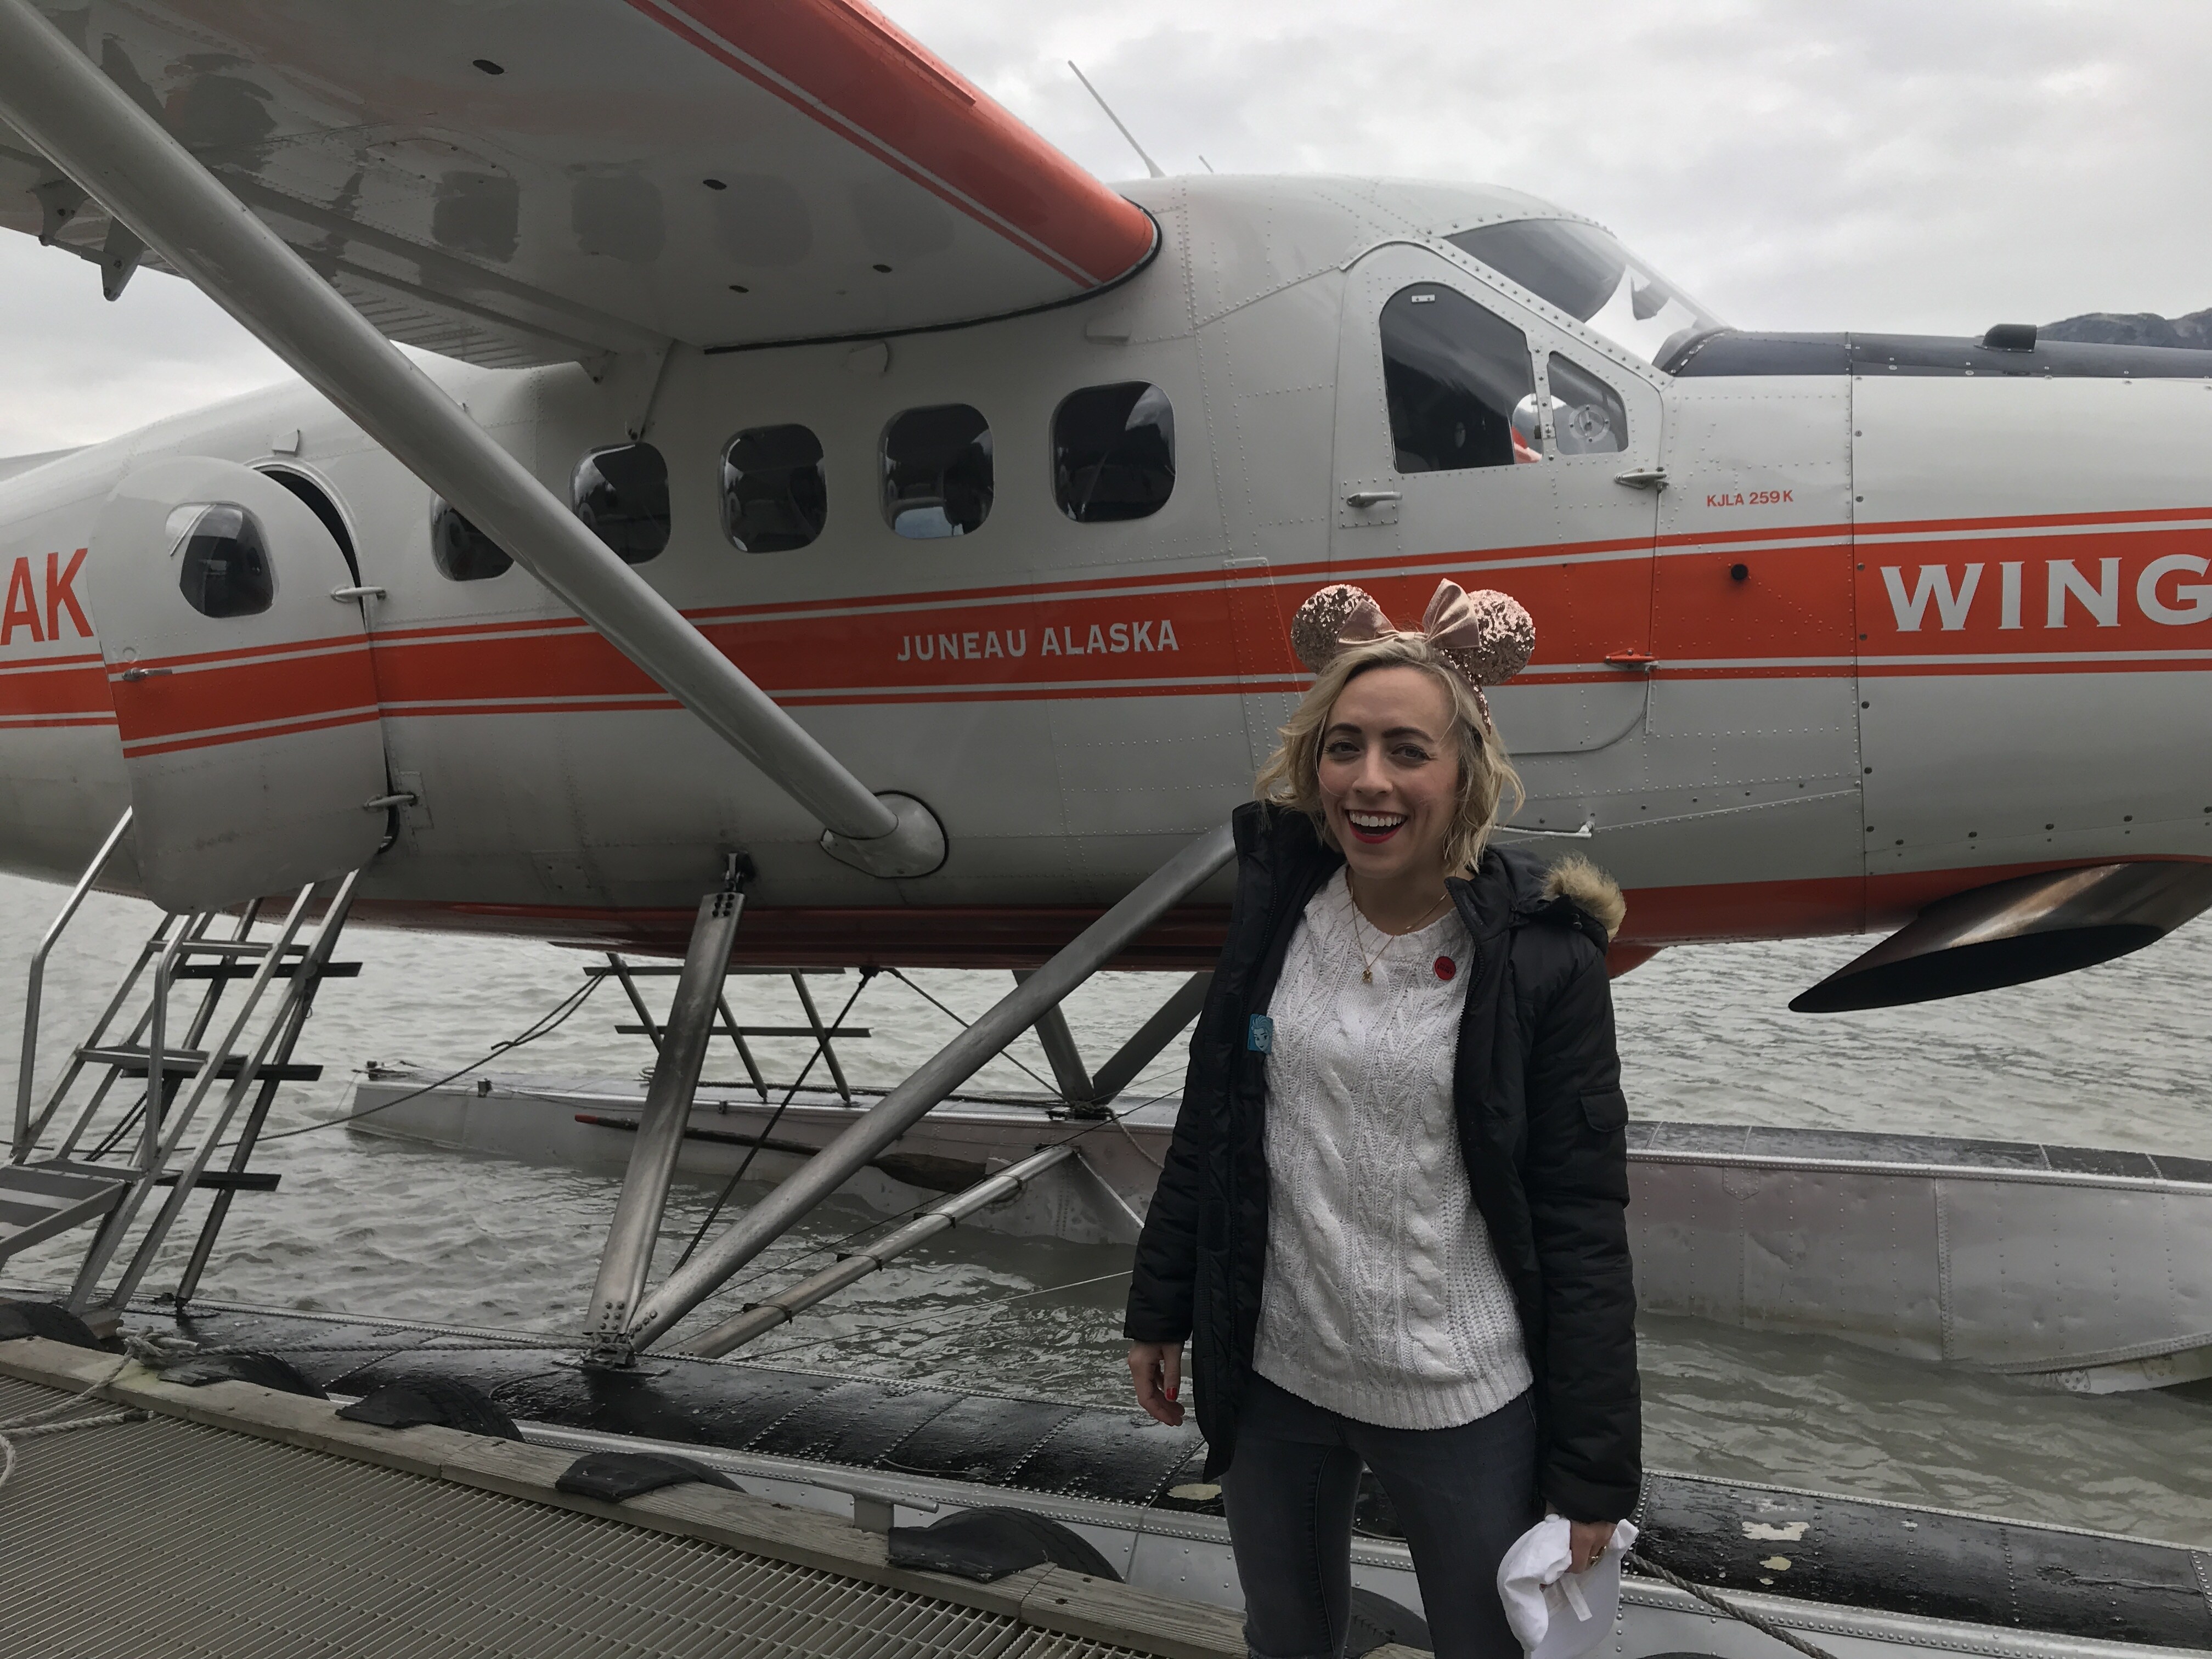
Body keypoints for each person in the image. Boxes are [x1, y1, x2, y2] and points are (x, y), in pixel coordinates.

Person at [1122, 578, 1640, 1659]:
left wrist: (1595, 1473)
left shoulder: (1543, 962)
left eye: (1408, 750)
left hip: (1457, 1395)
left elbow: (1583, 1220)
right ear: (1312, 765)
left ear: (1465, 775)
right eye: (1344, 746)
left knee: (1485, 1649)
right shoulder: (1277, 914)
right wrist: (1159, 1308)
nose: (1370, 780)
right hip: (1275, 1374)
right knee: (1286, 1639)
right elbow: (1217, 1122)